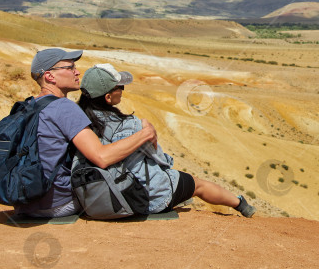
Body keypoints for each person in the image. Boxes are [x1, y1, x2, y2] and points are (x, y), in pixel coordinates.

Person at [15, 48, 254, 219]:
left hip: (26, 200)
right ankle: (240, 204)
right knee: (193, 183)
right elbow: (105, 157)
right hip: (62, 202)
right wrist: (145, 132)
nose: (76, 71)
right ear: (50, 76)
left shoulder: (32, 106)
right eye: (70, 67)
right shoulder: (68, 110)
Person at [78, 63, 255, 217]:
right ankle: (240, 204)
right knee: (197, 184)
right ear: (108, 97)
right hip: (142, 197)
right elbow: (159, 158)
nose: (123, 91)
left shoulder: (78, 123)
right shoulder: (131, 126)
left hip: (95, 197)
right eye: (120, 87)